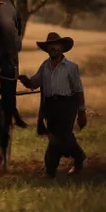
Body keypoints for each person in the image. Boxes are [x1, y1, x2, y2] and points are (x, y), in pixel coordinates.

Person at [19, 32, 87, 178]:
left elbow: (79, 90)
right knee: (58, 136)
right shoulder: (45, 66)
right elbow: (34, 83)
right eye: (50, 46)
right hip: (50, 106)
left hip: (67, 104)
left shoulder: (71, 67)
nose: (53, 48)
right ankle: (78, 155)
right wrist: (25, 80)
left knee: (57, 137)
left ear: (62, 48)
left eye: (56, 45)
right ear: (47, 49)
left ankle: (50, 171)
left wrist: (82, 111)